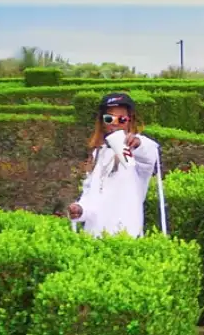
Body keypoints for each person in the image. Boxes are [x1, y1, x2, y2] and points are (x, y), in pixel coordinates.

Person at [68, 93, 160, 238]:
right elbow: (91, 194)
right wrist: (81, 210)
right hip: (94, 236)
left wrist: (137, 144)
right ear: (102, 122)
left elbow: (149, 156)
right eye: (109, 118)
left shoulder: (135, 154)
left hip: (125, 236)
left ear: (130, 120)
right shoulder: (98, 153)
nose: (115, 123)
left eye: (122, 119)